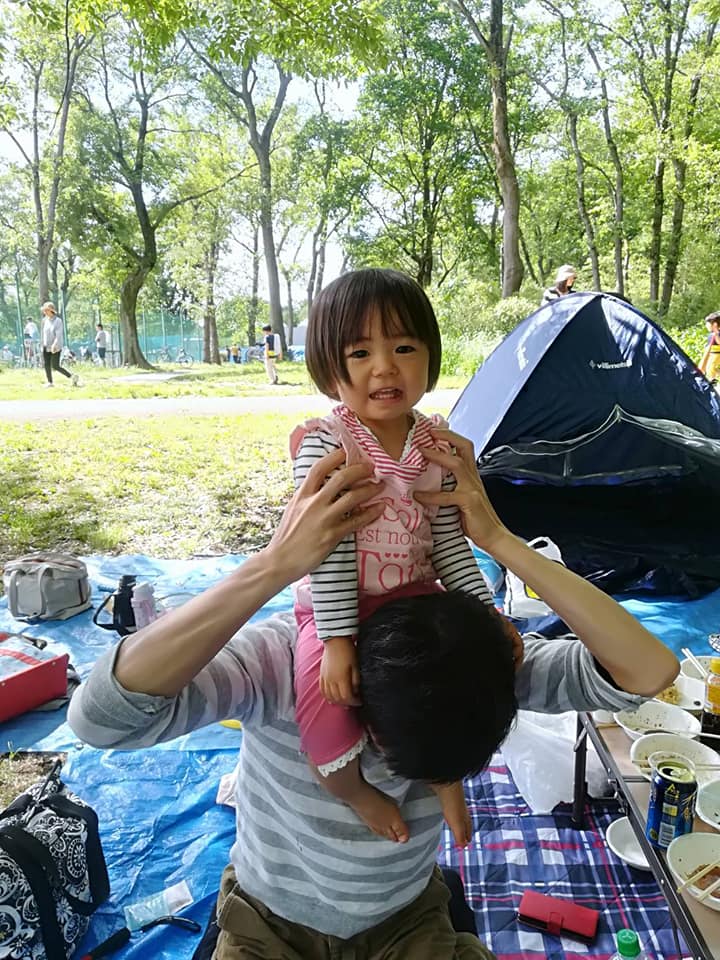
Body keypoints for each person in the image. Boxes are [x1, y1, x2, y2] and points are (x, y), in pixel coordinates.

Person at [68, 438, 678, 960]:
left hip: (404, 919)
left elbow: (649, 669)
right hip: (270, 921)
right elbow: (99, 719)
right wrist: (272, 567)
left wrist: (498, 539)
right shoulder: (282, 663)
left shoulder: (471, 659)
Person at [291, 268, 518, 848]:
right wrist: (339, 641)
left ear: (429, 357)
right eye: (360, 351)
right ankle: (353, 789)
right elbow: (331, 550)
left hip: (416, 597)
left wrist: (485, 614)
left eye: (404, 347)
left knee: (456, 676)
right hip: (337, 603)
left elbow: (447, 542)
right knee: (323, 696)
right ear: (328, 367)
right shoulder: (328, 444)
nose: (384, 366)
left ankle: (445, 775)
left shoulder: (436, 445)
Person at [40, 301, 78, 388]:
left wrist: (54, 344)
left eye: (46, 310)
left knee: (55, 366)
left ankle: (72, 376)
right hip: (46, 345)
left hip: (55, 347)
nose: (44, 312)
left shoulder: (58, 321)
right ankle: (50, 382)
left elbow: (59, 334)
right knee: (46, 364)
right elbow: (43, 334)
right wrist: (42, 344)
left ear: (51, 311)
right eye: (44, 310)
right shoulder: (44, 321)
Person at [699, 311, 720, 383]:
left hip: (716, 354)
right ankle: (712, 379)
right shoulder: (713, 334)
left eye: (707, 324)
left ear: (715, 325)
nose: (706, 326)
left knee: (711, 368)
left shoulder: (715, 334)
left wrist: (716, 333)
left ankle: (712, 380)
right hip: (713, 354)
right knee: (711, 368)